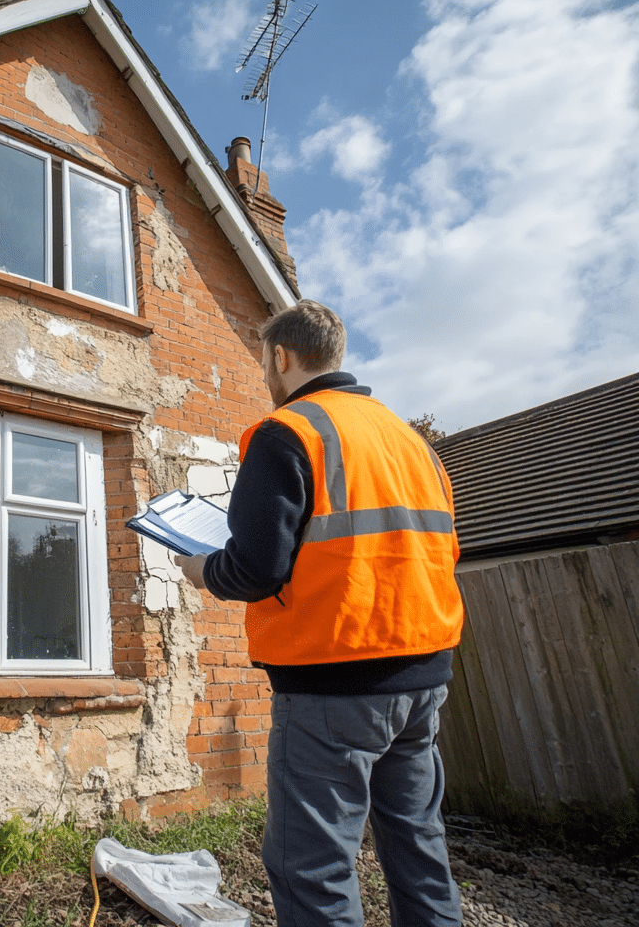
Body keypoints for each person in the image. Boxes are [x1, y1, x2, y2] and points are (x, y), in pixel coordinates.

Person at [175, 300, 464, 927]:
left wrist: (201, 569)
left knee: (314, 866)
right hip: (423, 679)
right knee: (418, 843)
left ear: (282, 357)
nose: (264, 377)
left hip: (334, 682)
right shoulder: (412, 442)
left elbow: (255, 568)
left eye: (263, 363)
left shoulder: (288, 432)